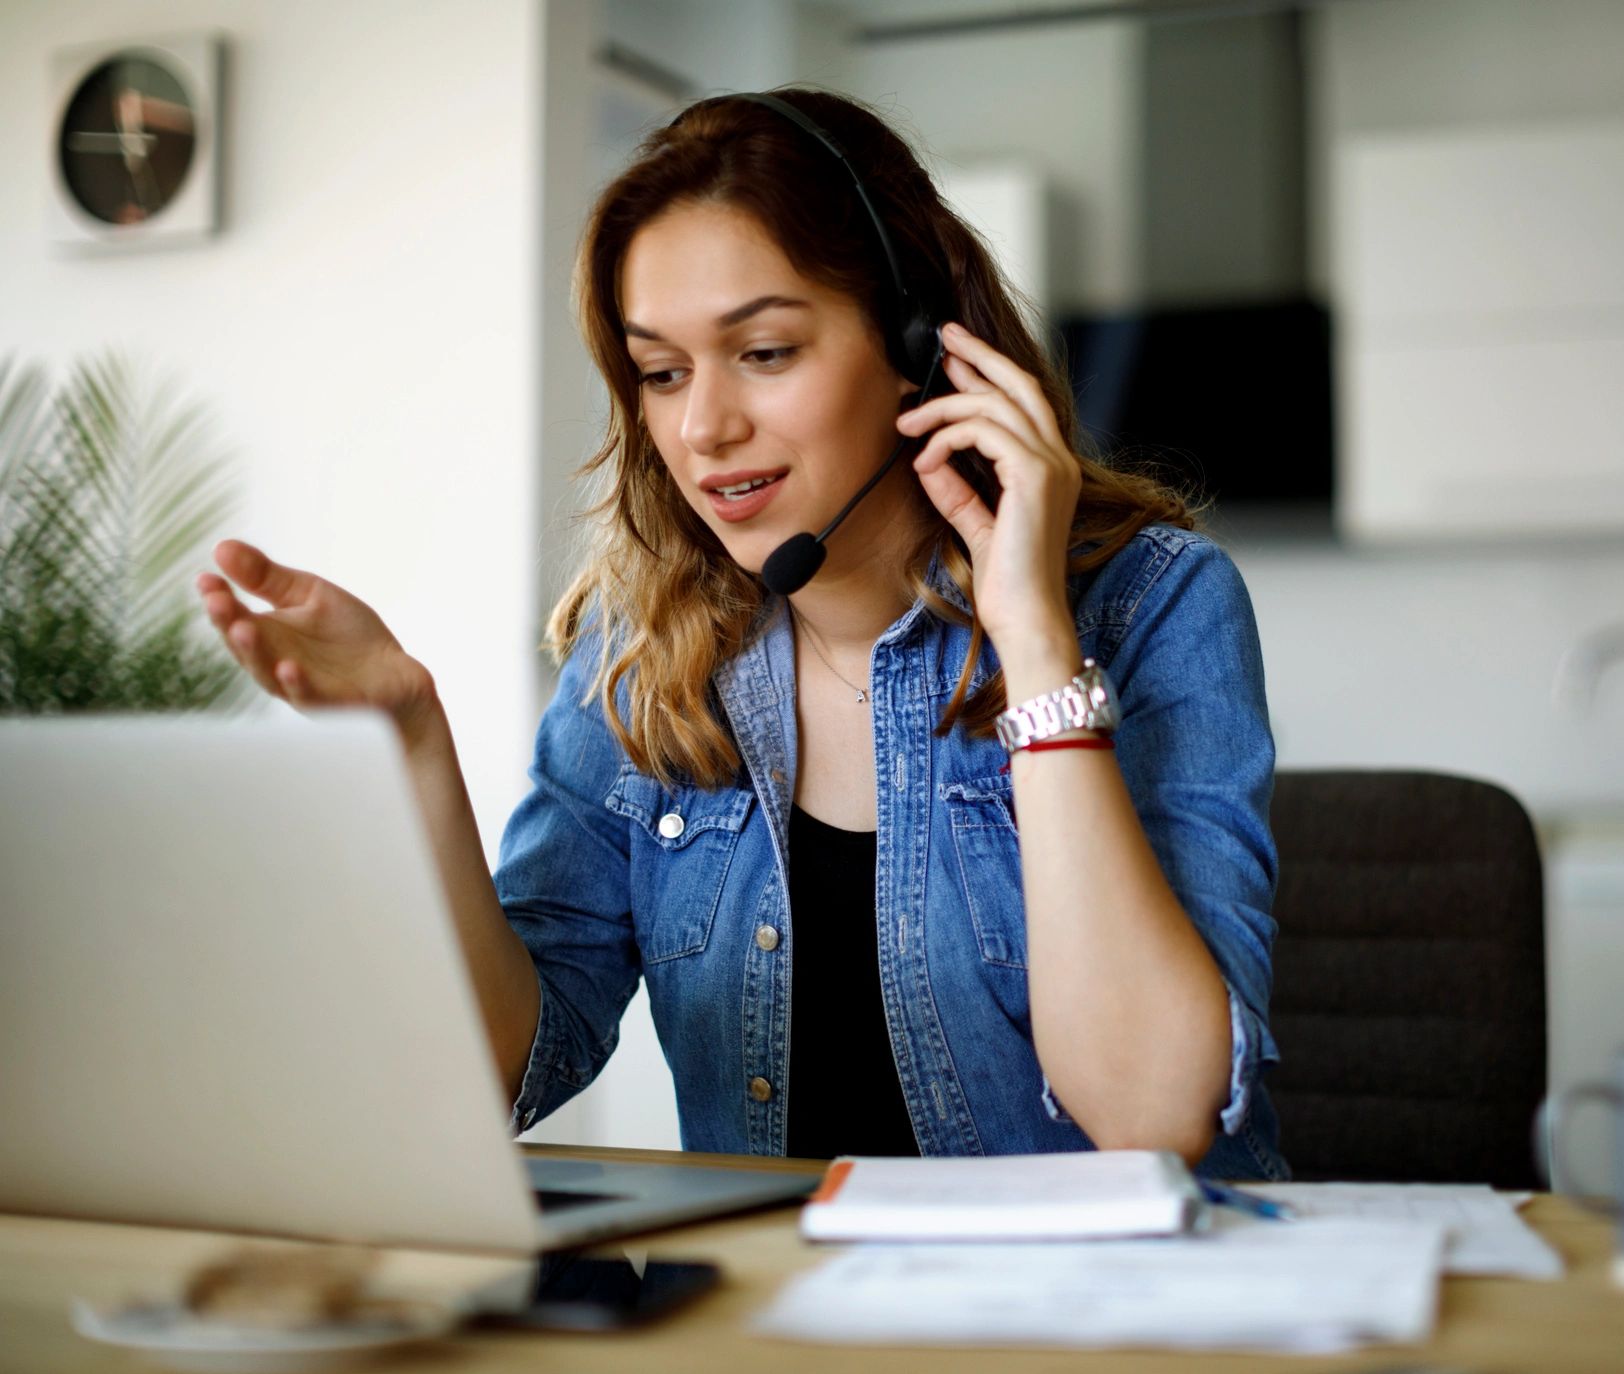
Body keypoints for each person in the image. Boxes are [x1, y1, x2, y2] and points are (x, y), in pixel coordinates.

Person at [194, 88, 1287, 1180]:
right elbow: (503, 1071)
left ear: (921, 344)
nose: (704, 427)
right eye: (662, 373)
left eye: (763, 351)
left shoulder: (1154, 606)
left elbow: (1156, 1113)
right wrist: (409, 740)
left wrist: (1035, 639)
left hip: (1094, 1326)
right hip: (769, 1327)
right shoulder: (646, 646)